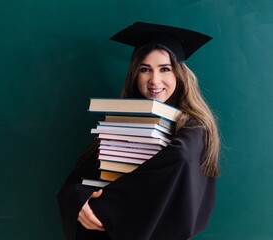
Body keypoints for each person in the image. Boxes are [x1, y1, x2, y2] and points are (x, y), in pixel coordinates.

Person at [57, 21, 220, 240]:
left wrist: (101, 207)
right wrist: (79, 200)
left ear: (179, 75)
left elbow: (177, 163)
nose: (154, 80)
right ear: (135, 74)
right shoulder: (123, 123)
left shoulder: (194, 129)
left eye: (165, 69)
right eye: (145, 69)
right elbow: (81, 177)